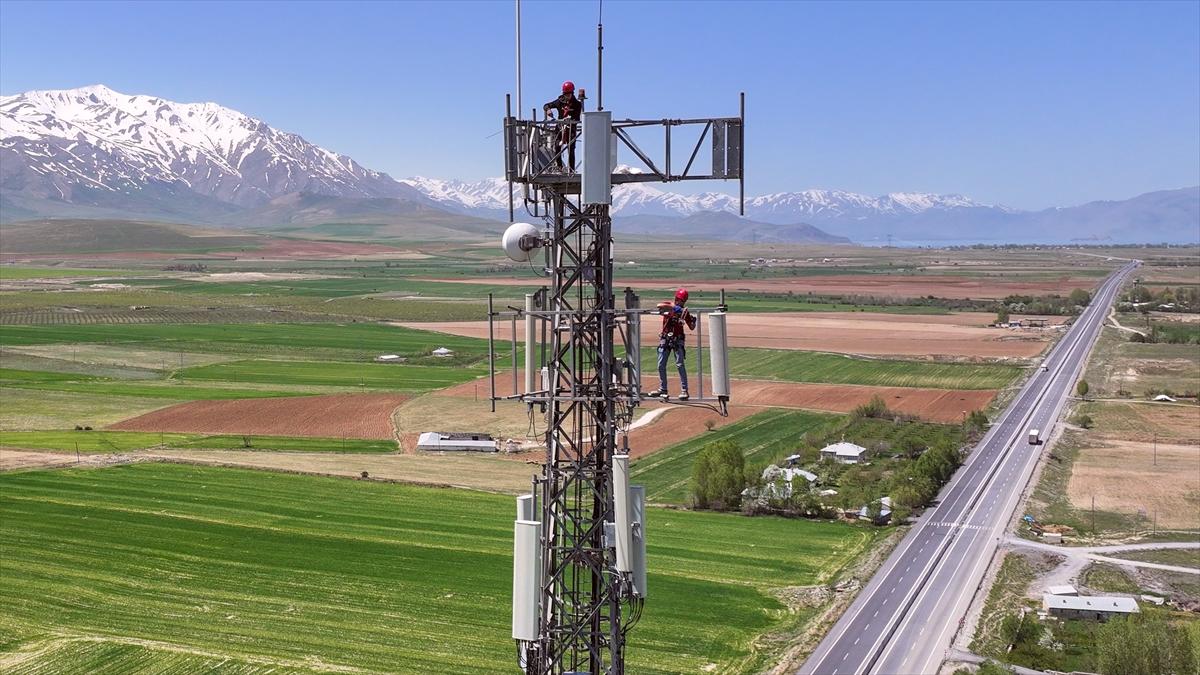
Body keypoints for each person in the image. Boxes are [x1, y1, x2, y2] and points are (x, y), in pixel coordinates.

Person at [651, 288, 696, 401]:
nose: (680, 302)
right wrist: (674, 308)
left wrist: (692, 320)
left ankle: (684, 390)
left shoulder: (684, 312)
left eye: (682, 301)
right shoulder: (669, 305)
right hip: (666, 338)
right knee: (661, 365)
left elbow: (691, 327)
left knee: (680, 364)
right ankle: (663, 389)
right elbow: (659, 305)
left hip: (677, 340)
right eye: (679, 300)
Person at [543, 80, 582, 172]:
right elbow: (546, 105)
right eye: (566, 94)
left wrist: (570, 120)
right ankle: (559, 167)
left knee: (571, 149)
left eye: (569, 94)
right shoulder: (559, 102)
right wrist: (548, 110)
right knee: (557, 147)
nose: (567, 96)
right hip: (560, 128)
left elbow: (577, 118)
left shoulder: (577, 104)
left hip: (571, 128)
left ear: (572, 93)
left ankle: (571, 170)